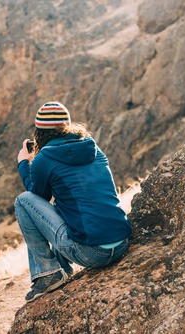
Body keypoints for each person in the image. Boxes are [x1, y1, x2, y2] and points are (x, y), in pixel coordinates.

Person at [15, 101, 132, 303]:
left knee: (23, 200)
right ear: (67, 126)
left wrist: (24, 164)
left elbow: (37, 198)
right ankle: (61, 268)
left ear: (39, 132)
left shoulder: (44, 158)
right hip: (122, 242)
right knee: (67, 202)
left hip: (92, 253)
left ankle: (48, 273)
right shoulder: (92, 147)